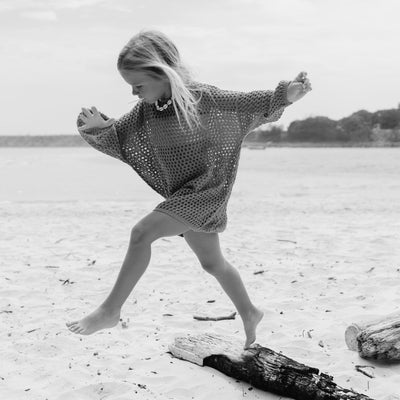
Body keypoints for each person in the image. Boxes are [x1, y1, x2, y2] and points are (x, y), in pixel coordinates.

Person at [66, 29, 312, 349]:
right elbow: (120, 137)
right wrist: (100, 127)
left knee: (141, 233)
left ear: (163, 73)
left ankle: (109, 311)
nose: (134, 92)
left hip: (208, 191)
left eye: (139, 85)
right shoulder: (145, 113)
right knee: (213, 264)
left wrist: (285, 95)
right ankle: (250, 312)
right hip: (184, 195)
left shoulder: (202, 98)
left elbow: (245, 104)